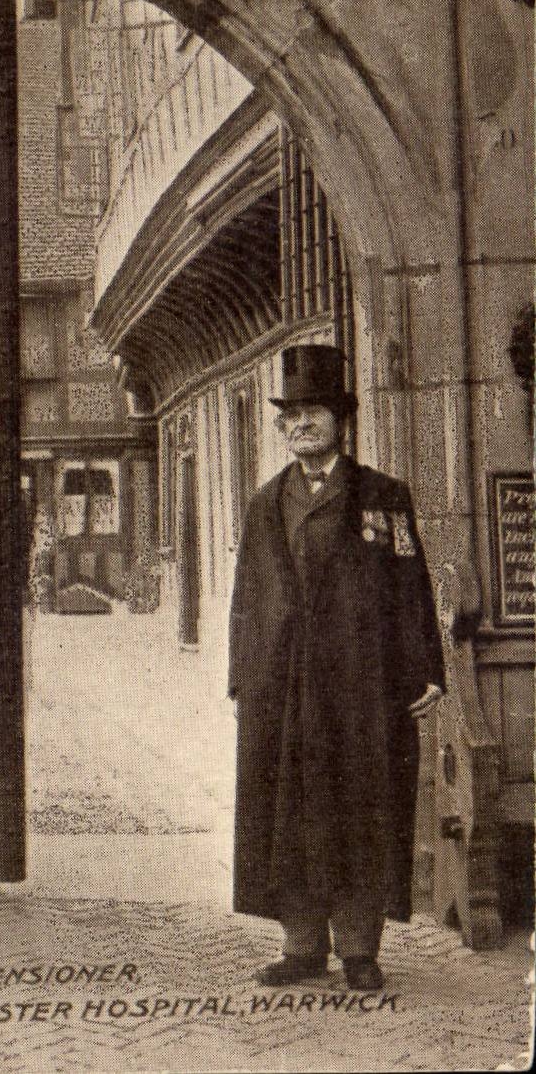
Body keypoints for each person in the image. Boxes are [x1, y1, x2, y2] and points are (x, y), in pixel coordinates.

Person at [227, 343, 445, 992]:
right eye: (291, 415)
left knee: (360, 807)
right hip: (285, 687)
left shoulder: (383, 497)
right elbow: (247, 598)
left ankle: (357, 948)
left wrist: (427, 667)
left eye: (314, 412)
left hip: (361, 686)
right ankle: (300, 947)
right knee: (290, 813)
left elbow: (411, 584)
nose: (301, 425)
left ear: (340, 420)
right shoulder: (265, 504)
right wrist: (242, 679)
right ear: (280, 427)